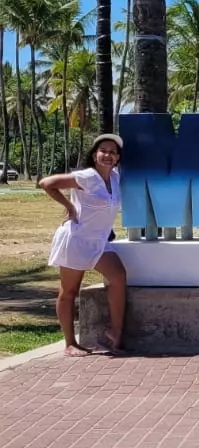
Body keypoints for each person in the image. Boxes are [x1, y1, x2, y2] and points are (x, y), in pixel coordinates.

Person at [39, 134, 127, 357]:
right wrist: (69, 206)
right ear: (95, 155)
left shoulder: (115, 178)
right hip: (77, 240)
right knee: (69, 291)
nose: (108, 155)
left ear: (118, 158)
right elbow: (46, 184)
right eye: (103, 151)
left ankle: (116, 333)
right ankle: (70, 343)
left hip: (99, 242)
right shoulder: (86, 177)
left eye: (113, 152)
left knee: (118, 277)